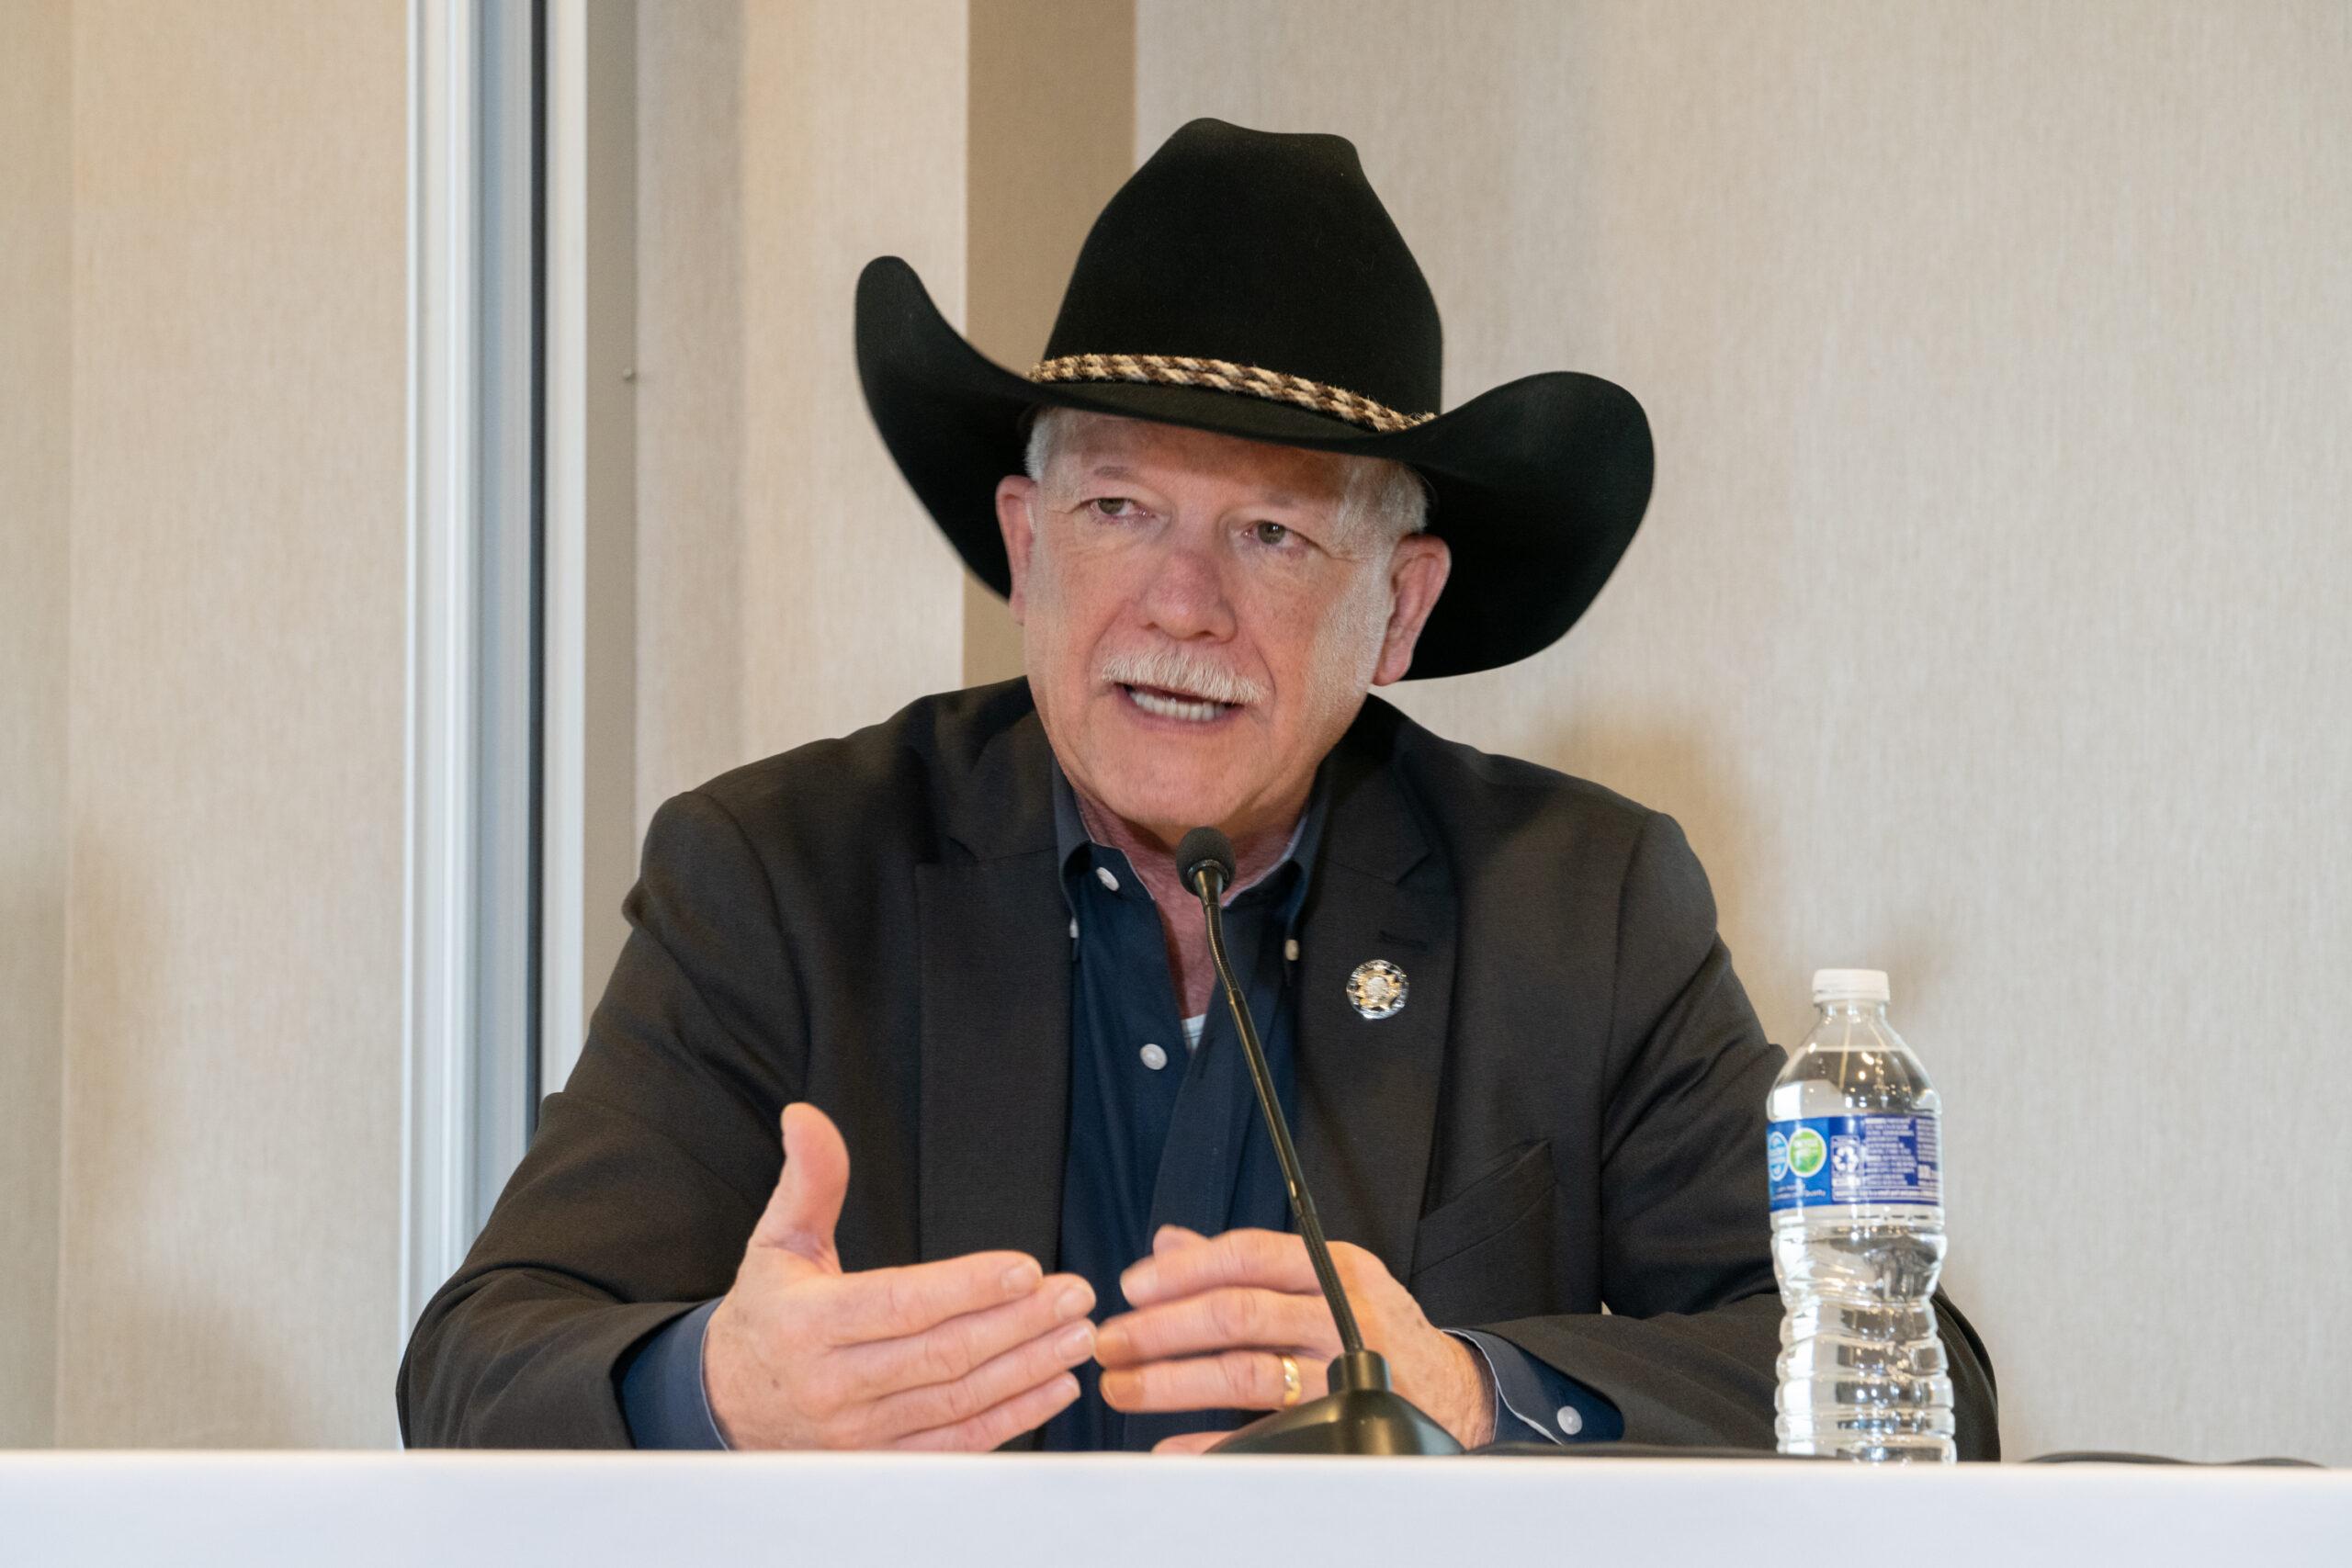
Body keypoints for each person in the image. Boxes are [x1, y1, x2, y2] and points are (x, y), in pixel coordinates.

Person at [398, 118, 1997, 1456]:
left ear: (1403, 611)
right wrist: (719, 1390)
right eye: (1117, 508)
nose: (1179, 605)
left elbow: (1920, 1397)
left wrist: (1468, 1390)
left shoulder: (1583, 907)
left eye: (1274, 536)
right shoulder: (776, 873)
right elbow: (476, 1367)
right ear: (1023, 547)